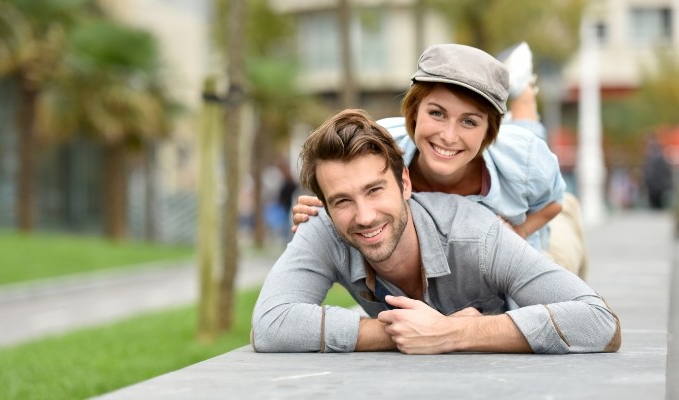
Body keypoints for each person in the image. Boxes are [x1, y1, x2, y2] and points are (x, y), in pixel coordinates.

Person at [251, 109, 620, 354]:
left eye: (375, 190)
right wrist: (399, 332)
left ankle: (525, 111)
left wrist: (454, 333)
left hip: (548, 226)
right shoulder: (322, 226)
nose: (364, 216)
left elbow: (600, 324)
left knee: (539, 177)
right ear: (326, 205)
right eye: (342, 201)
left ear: (405, 183)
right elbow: (270, 325)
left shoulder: (478, 235)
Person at [292, 43, 587, 279]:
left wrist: (518, 232)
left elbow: (554, 204)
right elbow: (343, 188)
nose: (448, 136)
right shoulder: (378, 148)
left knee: (526, 135)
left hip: (535, 220)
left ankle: (521, 95)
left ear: (488, 131)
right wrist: (323, 208)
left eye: (469, 121)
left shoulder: (525, 157)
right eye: (436, 113)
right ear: (414, 111)